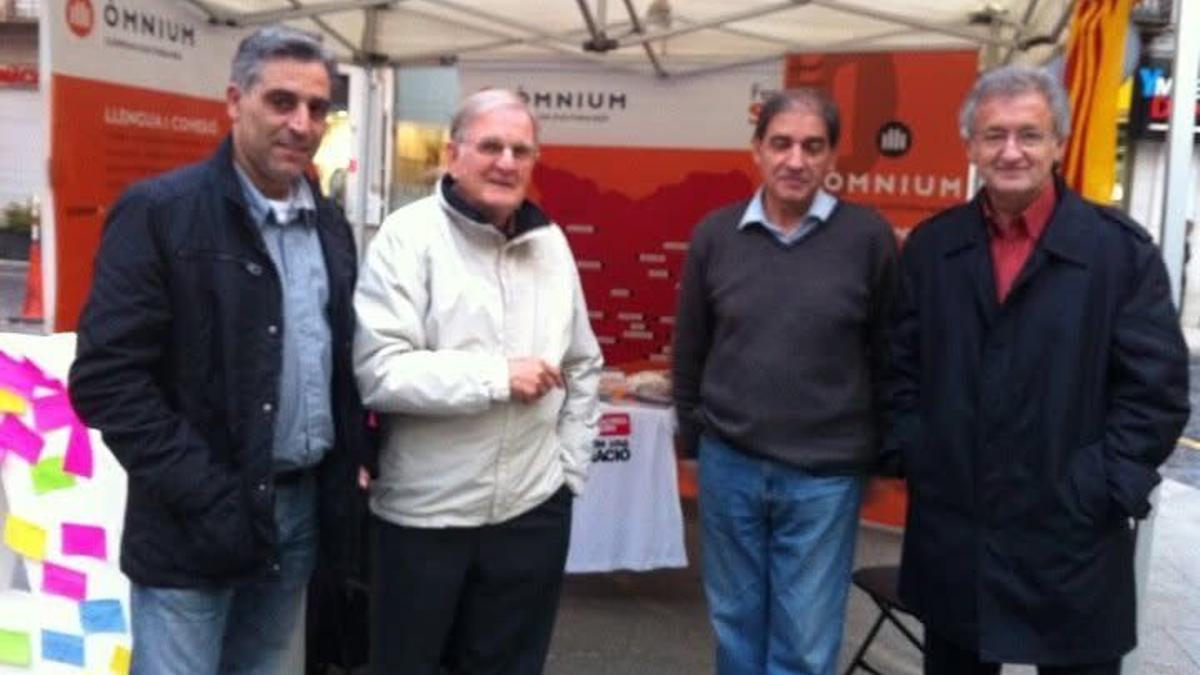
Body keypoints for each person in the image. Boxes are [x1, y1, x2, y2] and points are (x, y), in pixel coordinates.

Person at [68, 26, 370, 675]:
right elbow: (106, 380)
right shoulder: (161, 212)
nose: (302, 123)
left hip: (298, 511)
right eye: (282, 102)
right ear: (235, 100)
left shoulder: (328, 223)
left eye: (318, 108)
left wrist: (354, 460)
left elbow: (336, 360)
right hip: (191, 521)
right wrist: (209, 495)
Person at [883, 64, 1190, 675]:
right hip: (957, 532)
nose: (1012, 151)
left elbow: (1156, 393)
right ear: (970, 145)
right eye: (994, 135)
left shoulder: (1119, 253)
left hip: (1071, 539)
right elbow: (897, 370)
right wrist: (922, 454)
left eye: (1029, 134)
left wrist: (1101, 486)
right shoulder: (932, 249)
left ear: (1059, 144)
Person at [353, 88, 603, 674]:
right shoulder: (405, 237)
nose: (507, 163)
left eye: (522, 149)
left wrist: (567, 472)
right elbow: (380, 371)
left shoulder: (552, 245)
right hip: (425, 517)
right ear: (452, 153)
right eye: (491, 146)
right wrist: (495, 377)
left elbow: (584, 364)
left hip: (531, 511)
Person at [672, 89, 899, 675]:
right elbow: (692, 348)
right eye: (781, 144)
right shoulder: (715, 236)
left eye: (812, 146)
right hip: (730, 464)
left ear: (832, 158)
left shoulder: (868, 239)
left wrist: (880, 457)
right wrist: (690, 446)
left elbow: (890, 353)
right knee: (736, 631)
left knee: (803, 644)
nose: (795, 160)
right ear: (757, 151)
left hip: (825, 477)